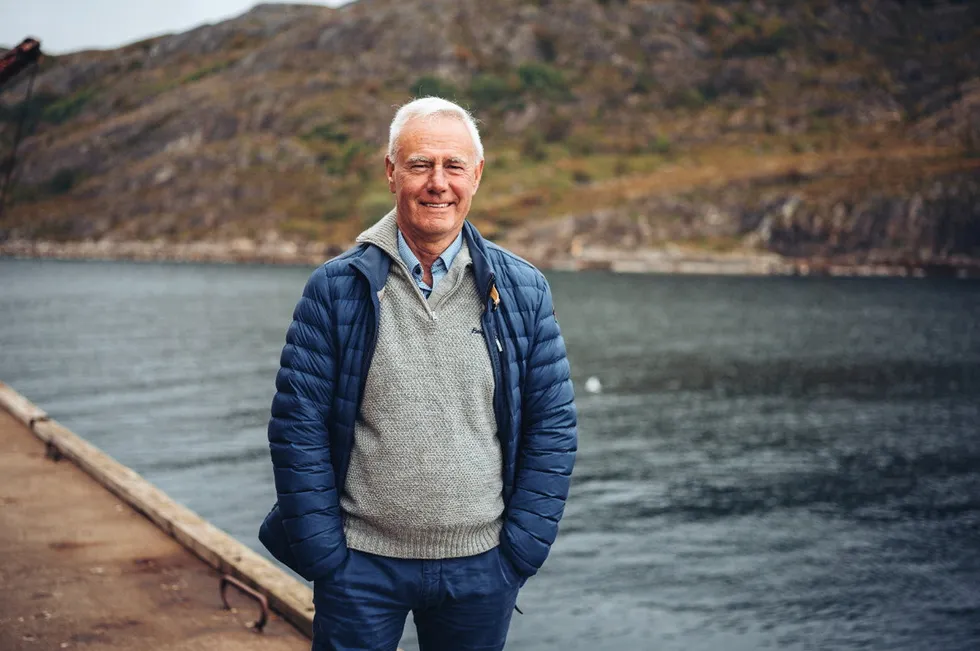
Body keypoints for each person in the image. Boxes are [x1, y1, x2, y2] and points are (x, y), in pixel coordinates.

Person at [260, 97, 577, 651]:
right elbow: (297, 426)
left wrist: (521, 550)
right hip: (360, 566)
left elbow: (553, 425)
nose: (438, 183)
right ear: (391, 172)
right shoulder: (336, 288)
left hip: (482, 570)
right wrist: (325, 557)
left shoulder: (524, 290)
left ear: (476, 176)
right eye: (419, 165)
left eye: (454, 166)